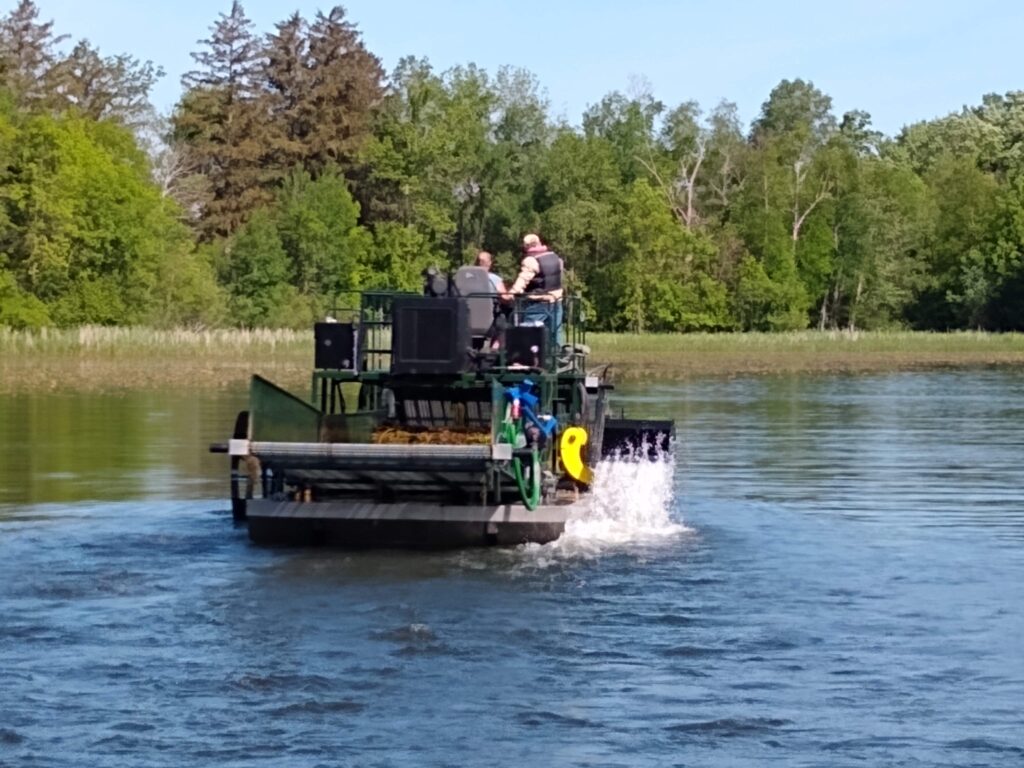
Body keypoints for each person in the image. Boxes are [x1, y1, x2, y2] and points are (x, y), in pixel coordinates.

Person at [504, 233, 564, 344]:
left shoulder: (531, 261)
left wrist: (510, 294)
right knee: (555, 333)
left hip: (537, 303)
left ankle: (530, 358)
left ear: (526, 247)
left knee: (530, 334)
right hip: (556, 301)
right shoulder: (556, 258)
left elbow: (522, 281)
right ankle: (556, 359)